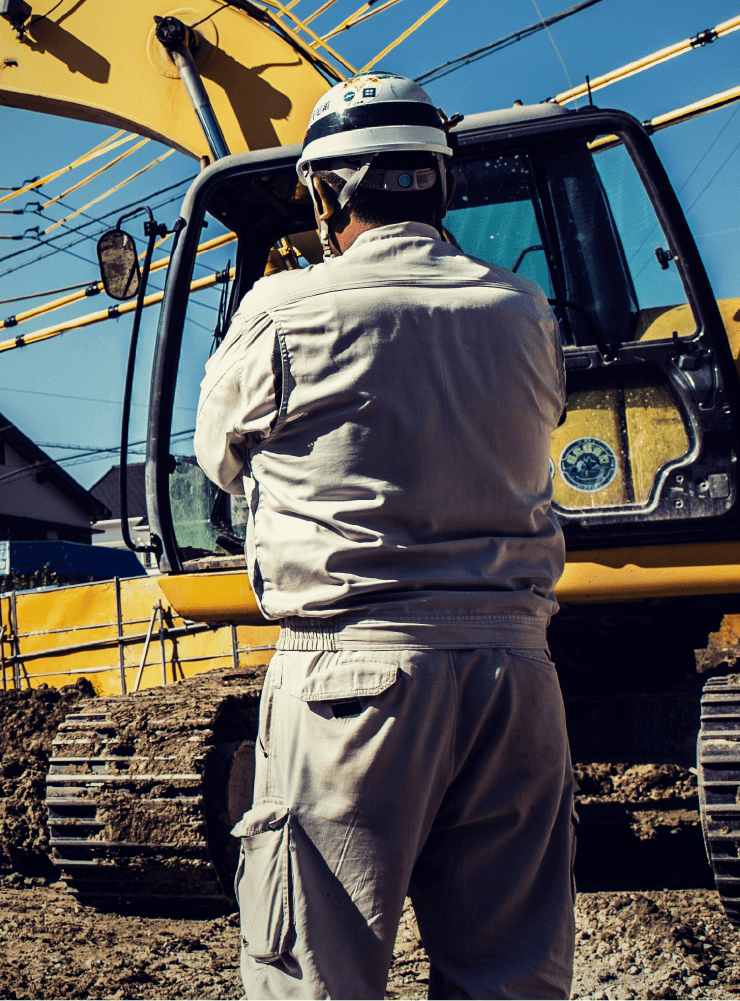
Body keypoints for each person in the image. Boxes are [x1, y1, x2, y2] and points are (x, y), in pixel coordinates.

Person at [194, 72, 573, 1000]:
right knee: (510, 974)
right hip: (515, 676)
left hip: (351, 681)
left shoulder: (283, 311)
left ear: (329, 192)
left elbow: (217, 457)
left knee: (318, 969)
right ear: (441, 186)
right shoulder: (524, 311)